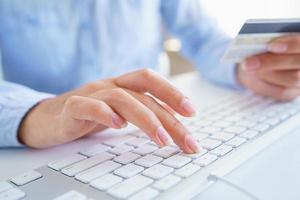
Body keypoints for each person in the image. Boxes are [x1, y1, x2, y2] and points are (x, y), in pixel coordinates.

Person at [1, 1, 300, 153]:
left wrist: (250, 68)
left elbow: (200, 36)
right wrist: (32, 114)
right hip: (41, 145)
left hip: (144, 133)